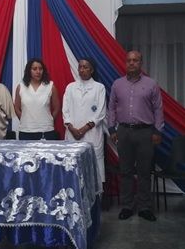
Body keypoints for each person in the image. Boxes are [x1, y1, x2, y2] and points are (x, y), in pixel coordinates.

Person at [108, 50, 164, 222]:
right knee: (125, 171)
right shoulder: (117, 84)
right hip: (123, 132)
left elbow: (158, 109)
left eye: (135, 60)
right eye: (129, 60)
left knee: (144, 172)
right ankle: (127, 206)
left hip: (145, 132)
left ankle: (144, 207)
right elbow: (111, 108)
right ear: (125, 63)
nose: (132, 63)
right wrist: (112, 129)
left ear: (141, 63)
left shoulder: (151, 84)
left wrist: (157, 131)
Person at [63, 58, 107, 194]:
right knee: (73, 166)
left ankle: (95, 199)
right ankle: (74, 196)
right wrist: (72, 128)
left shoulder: (99, 88)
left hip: (91, 133)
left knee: (94, 167)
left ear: (92, 70)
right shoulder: (70, 87)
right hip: (72, 133)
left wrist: (83, 129)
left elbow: (100, 112)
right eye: (80, 67)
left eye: (85, 67)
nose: (82, 69)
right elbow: (65, 110)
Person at [14, 58, 60, 140]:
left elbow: (57, 108)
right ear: (29, 71)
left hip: (46, 131)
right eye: (34, 69)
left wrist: (49, 120)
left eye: (40, 69)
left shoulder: (50, 86)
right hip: (26, 131)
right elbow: (17, 108)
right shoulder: (21, 86)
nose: (38, 72)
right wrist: (25, 119)